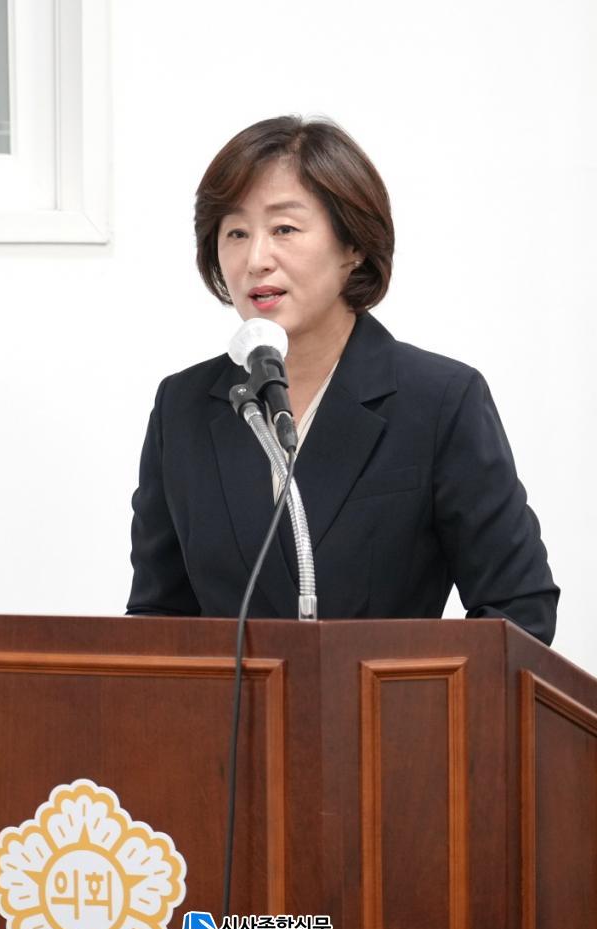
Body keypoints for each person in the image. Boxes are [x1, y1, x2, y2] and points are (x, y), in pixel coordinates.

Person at [127, 116, 559, 645]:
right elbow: (157, 617)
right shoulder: (184, 406)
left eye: (284, 229)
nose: (256, 259)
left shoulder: (439, 400)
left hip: (381, 700)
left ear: (352, 246)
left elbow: (519, 610)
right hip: (232, 703)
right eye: (236, 233)